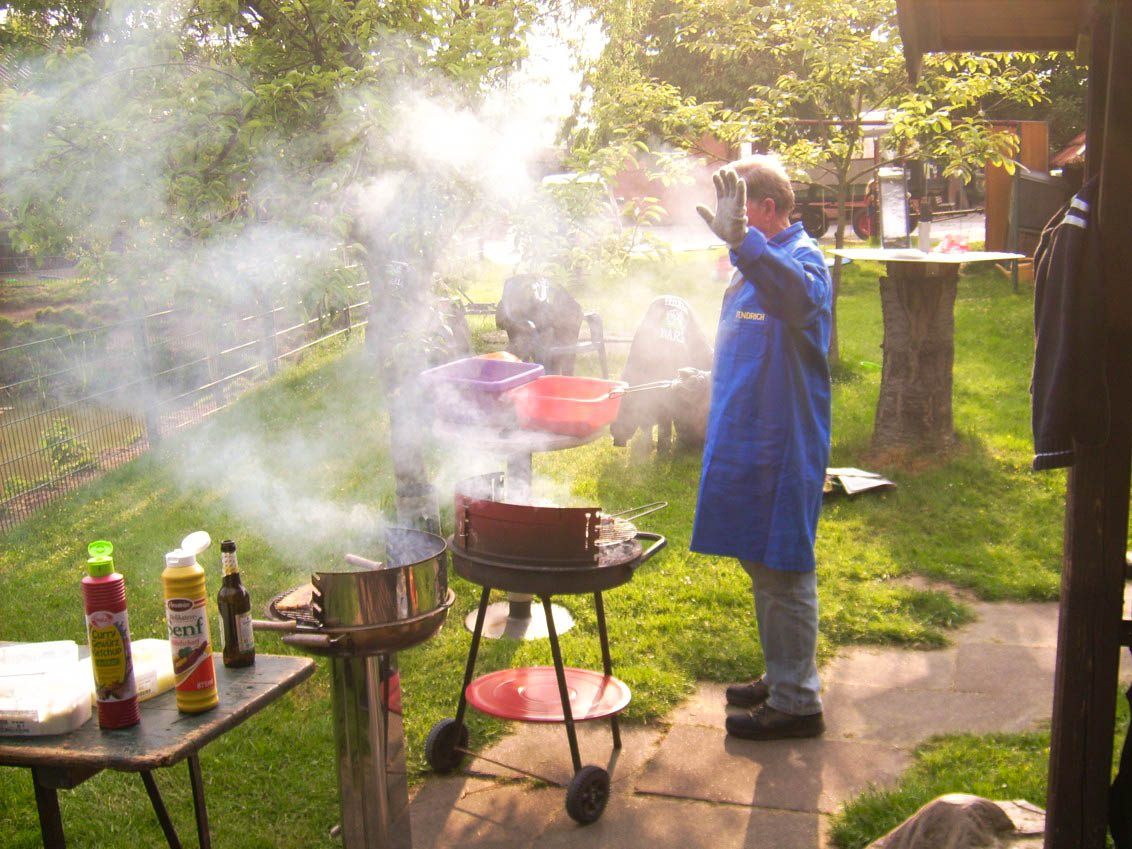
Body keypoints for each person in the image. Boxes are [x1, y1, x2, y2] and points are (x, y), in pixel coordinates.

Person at [689, 155, 833, 740]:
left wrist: (743, 243)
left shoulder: (804, 260)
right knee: (760, 562)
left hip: (782, 440)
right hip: (746, 436)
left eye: (739, 209)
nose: (730, 222)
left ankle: (799, 702)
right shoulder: (752, 262)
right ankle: (782, 675)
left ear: (767, 210)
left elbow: (795, 301)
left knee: (785, 566)